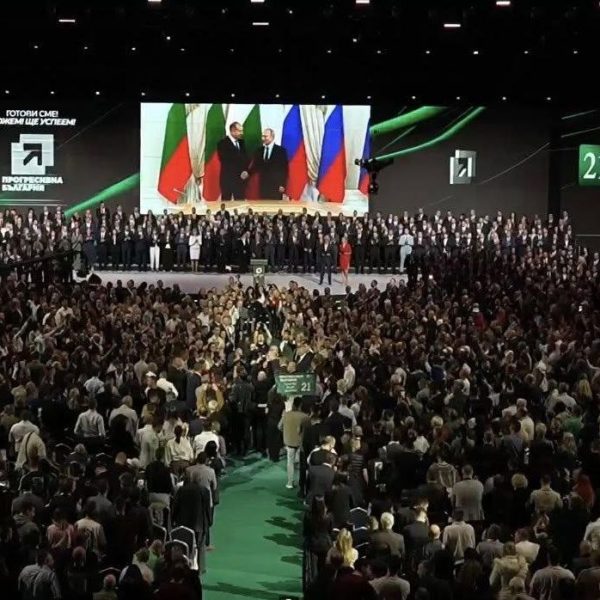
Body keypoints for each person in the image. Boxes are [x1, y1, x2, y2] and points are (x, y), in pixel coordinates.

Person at [248, 128, 289, 200]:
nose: (263, 138)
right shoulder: (259, 151)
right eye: (262, 136)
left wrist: (282, 184)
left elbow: (284, 169)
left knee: (274, 206)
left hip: (276, 186)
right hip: (263, 186)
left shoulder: (281, 151)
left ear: (272, 137)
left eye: (265, 136)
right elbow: (255, 166)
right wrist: (247, 173)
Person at [217, 121, 248, 201]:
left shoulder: (242, 142)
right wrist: (239, 171)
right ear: (233, 131)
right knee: (226, 202)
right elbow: (226, 161)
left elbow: (245, 158)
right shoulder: (222, 143)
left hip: (240, 180)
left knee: (240, 203)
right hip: (228, 179)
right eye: (240, 131)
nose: (242, 133)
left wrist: (245, 171)